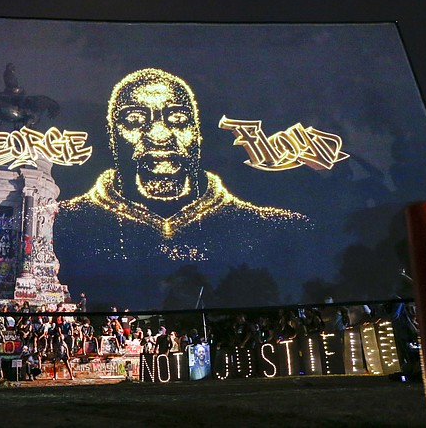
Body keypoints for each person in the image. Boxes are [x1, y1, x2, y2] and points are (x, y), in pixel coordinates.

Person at [54, 68, 311, 308]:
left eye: (177, 119)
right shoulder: (61, 223)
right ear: (112, 138)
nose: (159, 134)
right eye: (134, 120)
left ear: (198, 135)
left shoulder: (275, 227)